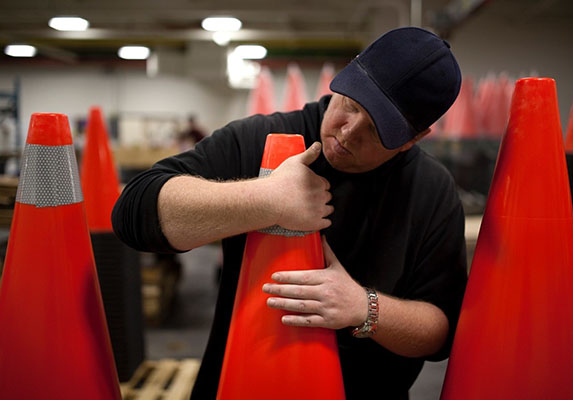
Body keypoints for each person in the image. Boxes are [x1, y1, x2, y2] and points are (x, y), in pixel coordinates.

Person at [112, 27, 467, 399]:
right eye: (351, 104)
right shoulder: (262, 139)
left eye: (378, 130)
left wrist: (363, 308)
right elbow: (134, 213)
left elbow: (440, 332)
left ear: (414, 138)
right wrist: (266, 199)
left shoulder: (431, 191)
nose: (347, 133)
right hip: (240, 385)